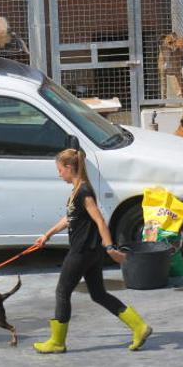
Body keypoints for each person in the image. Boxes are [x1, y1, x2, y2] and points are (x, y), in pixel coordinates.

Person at [32, 148, 152, 354]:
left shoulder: (84, 191)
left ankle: (57, 342)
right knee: (98, 294)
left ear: (69, 168)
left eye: (60, 170)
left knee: (62, 291)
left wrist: (110, 247)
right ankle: (139, 326)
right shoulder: (77, 191)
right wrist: (47, 234)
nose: (59, 174)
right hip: (90, 252)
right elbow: (70, 218)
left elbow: (99, 220)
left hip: (83, 252)